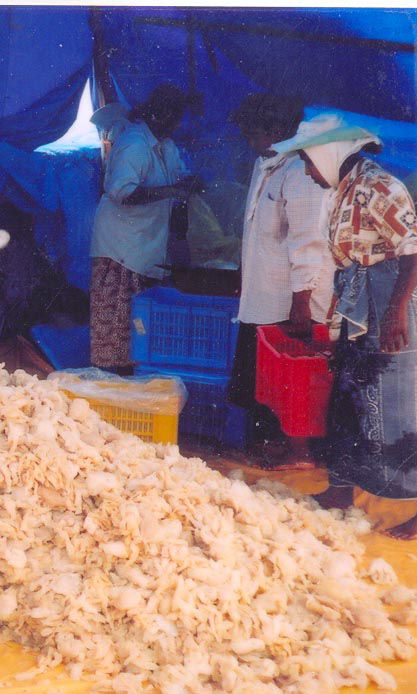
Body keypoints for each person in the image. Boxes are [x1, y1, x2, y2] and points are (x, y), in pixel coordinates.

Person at [273, 113, 417, 540]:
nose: (306, 171)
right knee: (348, 400)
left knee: (400, 409)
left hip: (391, 303)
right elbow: (347, 260)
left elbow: (412, 251)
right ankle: (339, 488)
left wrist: (395, 313)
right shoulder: (343, 189)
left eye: (307, 161)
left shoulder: (379, 187)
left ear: (328, 154)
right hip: (359, 306)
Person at [227, 94, 335, 469]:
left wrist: (301, 302)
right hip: (262, 295)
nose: (249, 141)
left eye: (254, 133)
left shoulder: (301, 173)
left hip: (290, 300)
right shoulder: (266, 165)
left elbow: (309, 243)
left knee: (292, 377)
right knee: (265, 379)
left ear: (277, 130)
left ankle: (299, 454)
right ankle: (278, 446)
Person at [89, 83, 203, 374]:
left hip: (144, 246)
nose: (179, 125)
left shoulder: (165, 145)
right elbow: (122, 193)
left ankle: (131, 381)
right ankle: (112, 385)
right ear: (159, 116)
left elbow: (178, 175)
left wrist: (188, 184)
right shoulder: (134, 146)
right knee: (117, 331)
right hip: (121, 248)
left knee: (137, 327)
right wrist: (170, 191)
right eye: (176, 118)